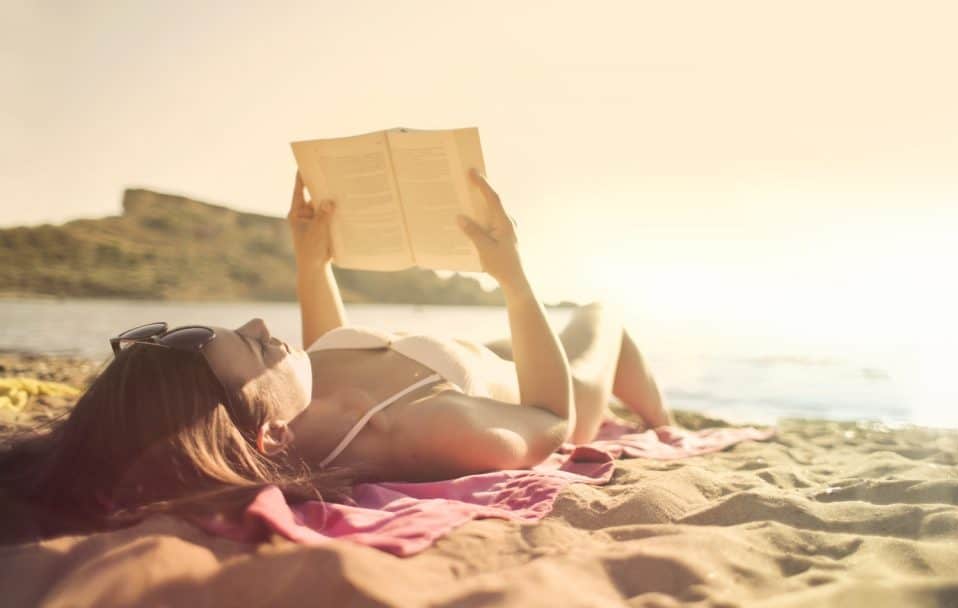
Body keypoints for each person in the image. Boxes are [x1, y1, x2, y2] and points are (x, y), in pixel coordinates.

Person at [0, 169, 671, 538]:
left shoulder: (283, 407)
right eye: (259, 349)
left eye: (247, 332)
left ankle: (659, 416)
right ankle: (664, 423)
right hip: (548, 388)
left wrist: (311, 263)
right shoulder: (415, 430)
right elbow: (547, 415)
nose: (266, 325)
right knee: (604, 316)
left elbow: (326, 351)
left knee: (605, 331)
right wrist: (514, 278)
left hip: (462, 359)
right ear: (268, 436)